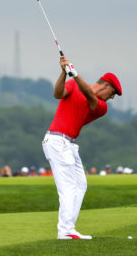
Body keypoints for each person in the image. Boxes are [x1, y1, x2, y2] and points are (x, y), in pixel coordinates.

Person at [42, 55, 122, 240]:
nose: (111, 98)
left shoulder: (101, 106)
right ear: (106, 85)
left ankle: (69, 227)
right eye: (113, 93)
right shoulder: (73, 85)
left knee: (80, 185)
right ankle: (65, 231)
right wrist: (64, 73)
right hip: (56, 141)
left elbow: (90, 96)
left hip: (69, 145)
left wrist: (74, 74)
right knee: (68, 187)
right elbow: (57, 94)